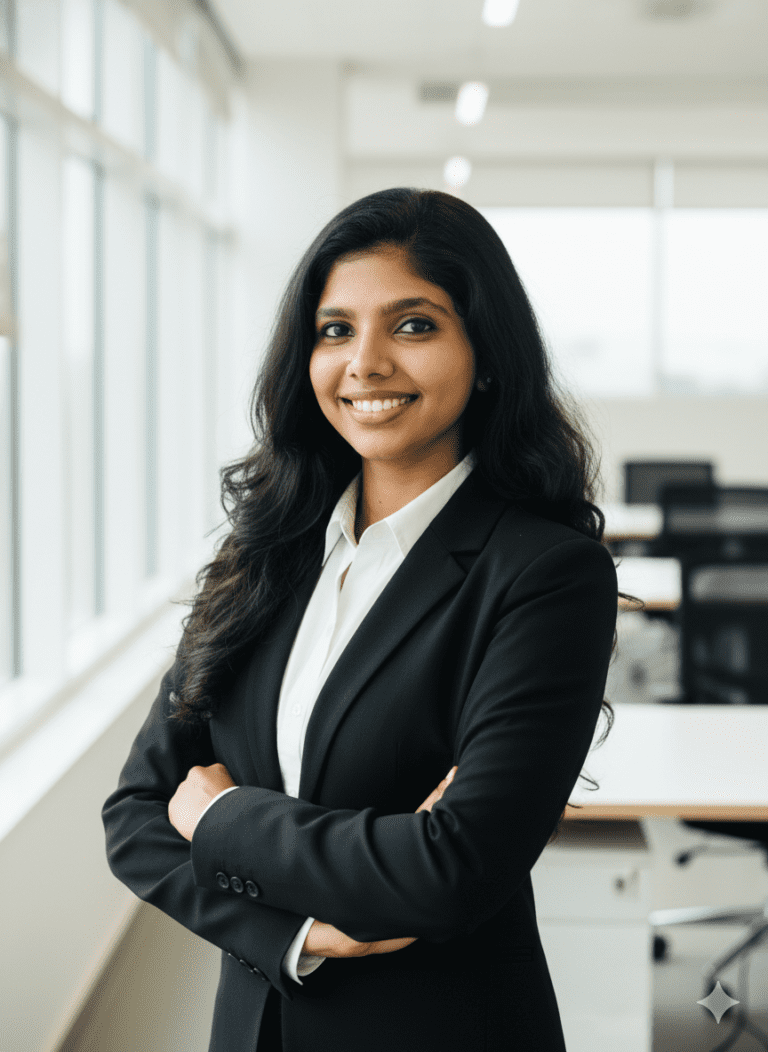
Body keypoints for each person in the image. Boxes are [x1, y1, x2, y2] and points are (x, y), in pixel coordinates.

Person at [102, 187, 618, 1052]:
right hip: (256, 1020)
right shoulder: (266, 552)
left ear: (486, 354)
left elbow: (453, 867)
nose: (365, 363)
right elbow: (138, 813)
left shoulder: (544, 573)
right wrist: (295, 936)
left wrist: (224, 820)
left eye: (413, 326)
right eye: (335, 329)